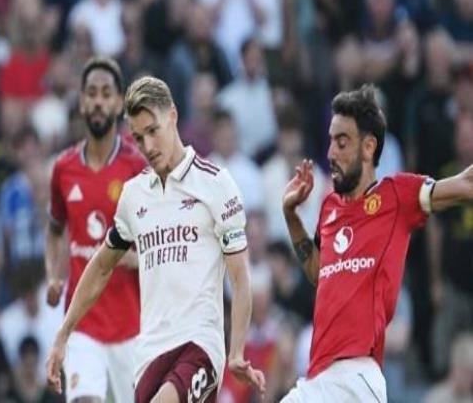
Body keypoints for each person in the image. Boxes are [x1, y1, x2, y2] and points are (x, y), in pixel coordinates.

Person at [46, 76, 265, 402]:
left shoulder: (216, 184)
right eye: (138, 137)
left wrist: (235, 351)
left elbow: (240, 276)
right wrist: (63, 334)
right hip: (149, 353)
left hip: (200, 345)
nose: (147, 147)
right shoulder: (134, 196)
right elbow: (101, 266)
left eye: (153, 131)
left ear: (172, 116)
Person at [279, 84, 473, 402]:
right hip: (318, 378)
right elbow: (319, 272)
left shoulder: (396, 195)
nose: (330, 153)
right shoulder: (329, 208)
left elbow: (465, 184)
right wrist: (291, 216)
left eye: (342, 142)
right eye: (330, 141)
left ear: (368, 147)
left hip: (356, 377)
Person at [45, 57, 145, 402]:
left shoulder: (137, 168)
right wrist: (53, 275)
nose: (98, 101)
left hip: (132, 327)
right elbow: (54, 230)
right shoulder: (63, 169)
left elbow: (161, 244)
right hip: (83, 325)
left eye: (106, 94)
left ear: (119, 104)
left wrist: (135, 259)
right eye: (91, 93)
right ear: (81, 101)